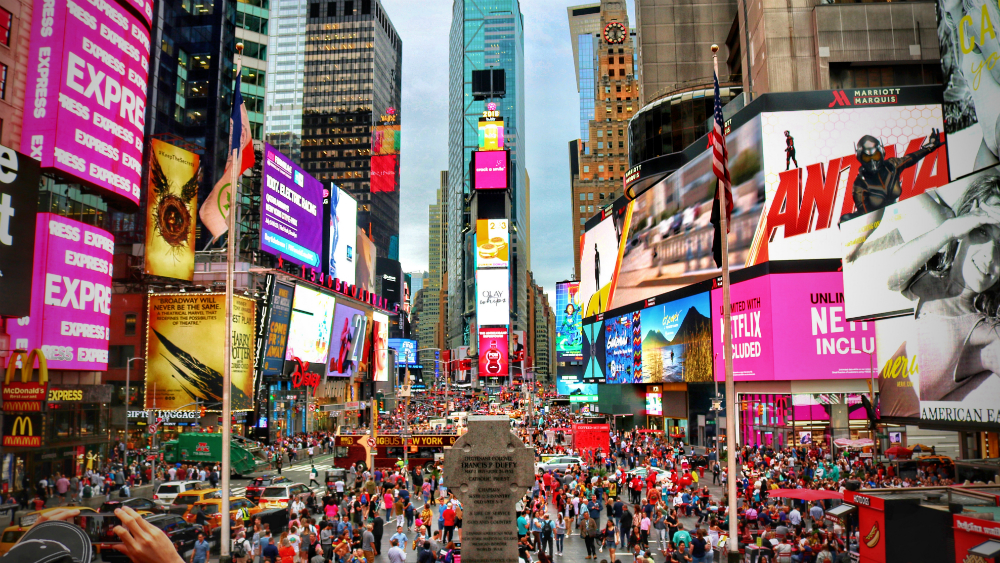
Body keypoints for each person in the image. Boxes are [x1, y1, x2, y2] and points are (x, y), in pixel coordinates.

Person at [886, 172, 1000, 401]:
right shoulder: (926, 268)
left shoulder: (987, 332)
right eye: (982, 230)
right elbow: (890, 278)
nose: (989, 256)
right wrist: (948, 230)